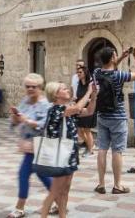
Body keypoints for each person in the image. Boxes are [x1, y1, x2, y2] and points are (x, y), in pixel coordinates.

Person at [38, 79, 97, 218]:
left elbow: (89, 111)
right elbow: (77, 108)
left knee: (65, 190)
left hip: (70, 153)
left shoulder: (67, 109)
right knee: (55, 191)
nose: (67, 90)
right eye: (63, 89)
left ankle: (62, 215)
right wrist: (88, 91)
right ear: (55, 94)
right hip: (60, 154)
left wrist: (93, 96)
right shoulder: (56, 109)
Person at [91, 45, 135, 195]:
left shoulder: (96, 73)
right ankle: (117, 185)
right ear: (112, 58)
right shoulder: (119, 76)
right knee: (117, 151)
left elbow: (110, 66)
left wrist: (121, 56)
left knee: (102, 149)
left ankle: (101, 184)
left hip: (102, 116)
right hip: (118, 117)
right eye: (115, 56)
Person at [7, 73, 52, 218]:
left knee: (23, 174)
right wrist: (15, 118)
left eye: (34, 87)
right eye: (28, 86)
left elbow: (44, 125)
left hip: (40, 145)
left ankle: (20, 208)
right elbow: (15, 122)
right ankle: (59, 200)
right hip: (28, 146)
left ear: (40, 87)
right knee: (42, 175)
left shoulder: (45, 105)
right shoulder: (25, 101)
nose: (30, 89)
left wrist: (26, 120)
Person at [70, 61, 95, 157]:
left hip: (88, 109)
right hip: (80, 108)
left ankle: (90, 149)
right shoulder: (79, 83)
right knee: (80, 130)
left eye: (80, 72)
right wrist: (74, 100)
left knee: (87, 130)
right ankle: (90, 145)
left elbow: (94, 96)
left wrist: (88, 99)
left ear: (85, 73)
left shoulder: (90, 84)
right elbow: (77, 95)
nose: (78, 74)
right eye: (78, 72)